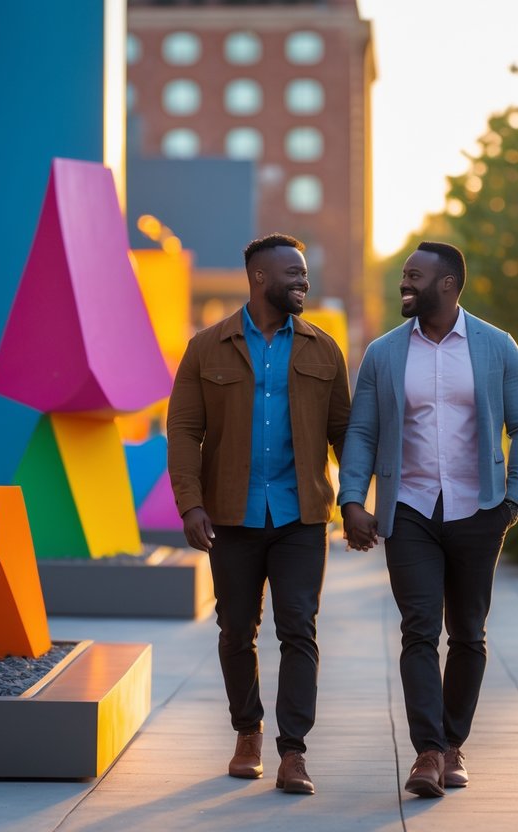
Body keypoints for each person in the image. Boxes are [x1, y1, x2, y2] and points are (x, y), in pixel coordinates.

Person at [338, 241, 518, 798]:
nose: (404, 284)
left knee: (469, 634)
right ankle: (428, 752)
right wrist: (353, 498)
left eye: (414, 276)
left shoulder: (497, 347)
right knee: (419, 630)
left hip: (480, 509)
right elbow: (362, 431)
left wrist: (513, 500)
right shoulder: (383, 354)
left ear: (448, 285)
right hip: (411, 510)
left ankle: (454, 744)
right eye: (404, 275)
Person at [167, 233, 351, 796]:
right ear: (259, 278)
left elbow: (345, 433)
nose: (303, 282)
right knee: (235, 630)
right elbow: (184, 431)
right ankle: (248, 732)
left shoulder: (323, 348)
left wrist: (359, 502)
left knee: (299, 629)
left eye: (304, 273)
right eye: (293, 273)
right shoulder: (206, 347)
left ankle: (293, 752)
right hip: (231, 517)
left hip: (301, 516)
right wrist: (191, 503)